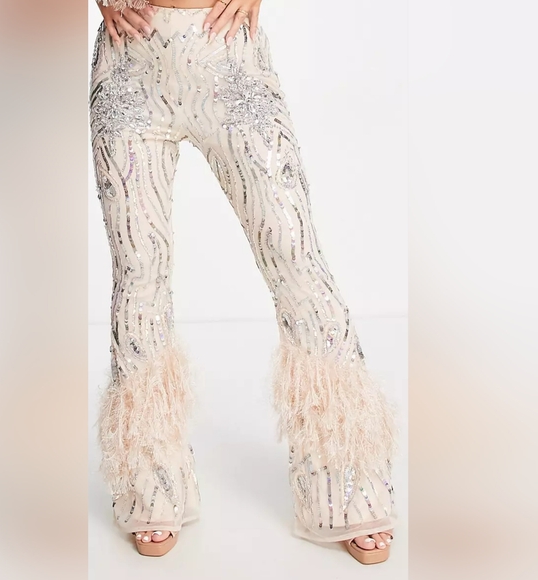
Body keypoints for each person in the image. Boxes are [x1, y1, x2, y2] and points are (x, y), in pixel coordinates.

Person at [90, 0, 397, 564]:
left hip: (229, 59)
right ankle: (152, 483)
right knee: (139, 272)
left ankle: (346, 485)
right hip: (129, 66)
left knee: (295, 257)